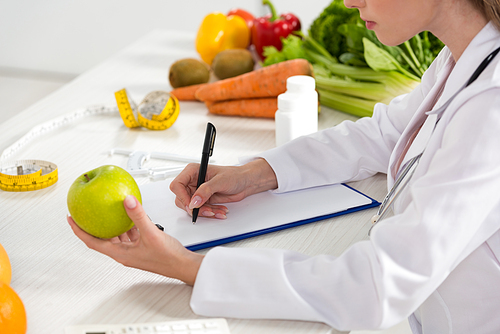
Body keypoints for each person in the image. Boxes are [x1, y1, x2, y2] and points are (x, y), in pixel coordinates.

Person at [67, 0, 500, 332]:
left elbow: (377, 285)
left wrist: (186, 266)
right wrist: (255, 172)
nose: (350, 1)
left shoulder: (491, 107)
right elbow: (385, 132)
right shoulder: (463, 59)